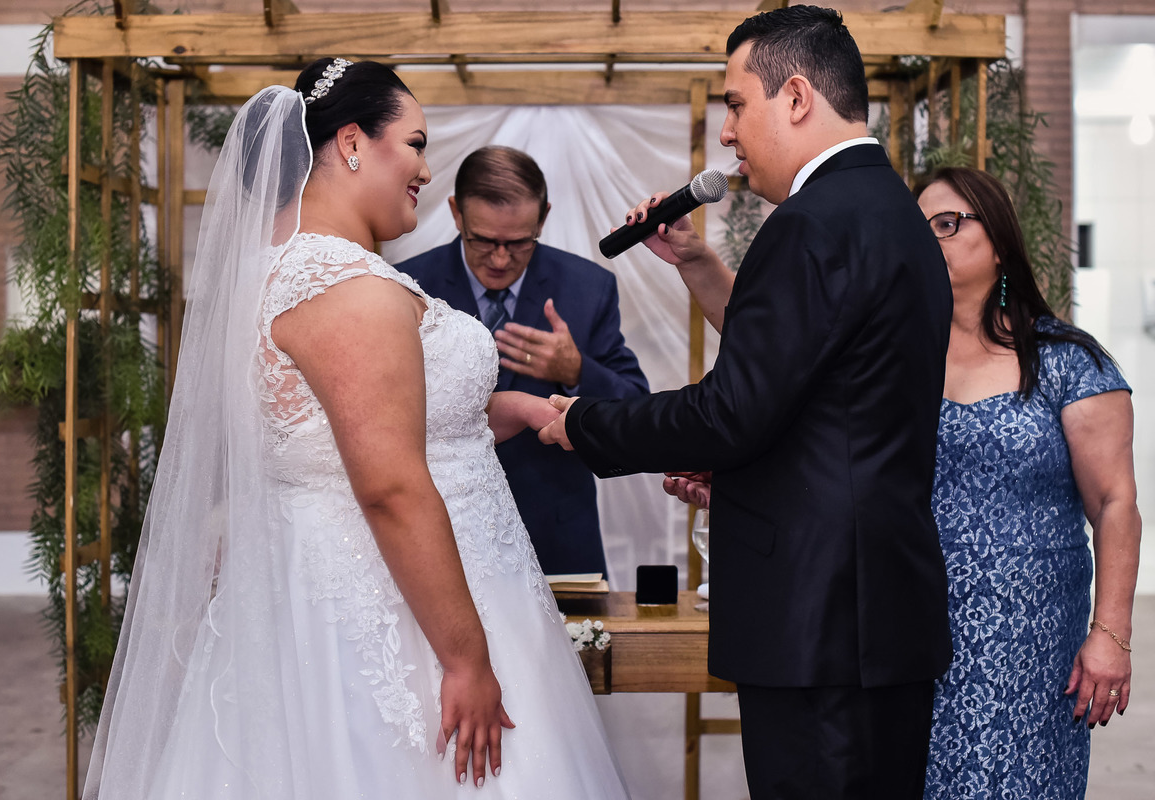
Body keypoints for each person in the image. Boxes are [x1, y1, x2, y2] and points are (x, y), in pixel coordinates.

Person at [83, 58, 629, 799]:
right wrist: (466, 660)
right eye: (415, 143)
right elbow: (391, 486)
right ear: (350, 144)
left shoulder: (294, 270)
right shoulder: (346, 289)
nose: (426, 169)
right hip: (387, 617)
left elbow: (373, 426)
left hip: (345, 590)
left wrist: (522, 408)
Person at [541, 7, 953, 797]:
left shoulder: (808, 225)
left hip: (818, 622)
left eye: (735, 104)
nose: (726, 133)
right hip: (876, 613)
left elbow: (731, 413)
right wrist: (697, 264)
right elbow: (830, 399)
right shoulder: (892, 212)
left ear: (795, 96)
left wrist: (585, 421)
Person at [915, 167, 1141, 798]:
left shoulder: (1068, 360)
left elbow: (1116, 503)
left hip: (1031, 639)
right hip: (913, 630)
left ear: (1000, 242)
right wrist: (695, 261)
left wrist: (1111, 633)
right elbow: (776, 346)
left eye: (948, 224)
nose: (929, 240)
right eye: (917, 228)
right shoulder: (898, 356)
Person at [398, 146, 648, 577]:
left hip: (557, 533)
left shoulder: (588, 287)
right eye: (482, 240)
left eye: (517, 243)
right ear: (456, 214)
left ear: (543, 219)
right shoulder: (407, 286)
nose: (500, 258)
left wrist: (576, 371)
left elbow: (637, 410)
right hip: (441, 533)